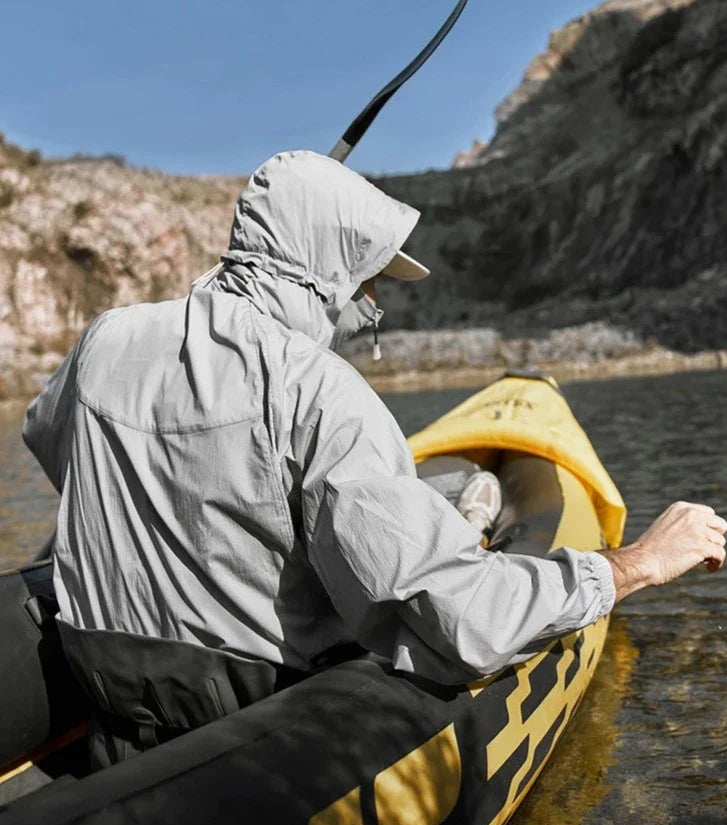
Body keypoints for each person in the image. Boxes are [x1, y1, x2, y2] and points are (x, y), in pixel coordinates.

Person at [23, 150, 726, 767]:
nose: (374, 302)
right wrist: (635, 563)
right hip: (245, 738)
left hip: (107, 705)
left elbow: (50, 439)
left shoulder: (106, 338)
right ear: (328, 270)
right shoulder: (320, 390)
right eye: (369, 277)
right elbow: (462, 619)